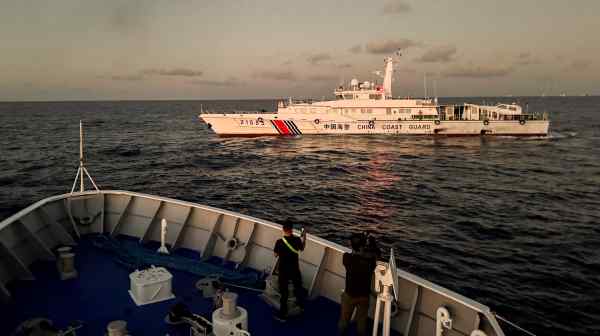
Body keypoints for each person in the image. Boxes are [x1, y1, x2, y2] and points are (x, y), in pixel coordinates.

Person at [338, 232, 379, 336]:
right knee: (362, 322)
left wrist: (361, 240)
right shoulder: (371, 261)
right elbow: (376, 254)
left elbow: (353, 254)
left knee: (344, 320)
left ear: (352, 245)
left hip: (350, 295)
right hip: (364, 296)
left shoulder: (347, 258)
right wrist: (372, 243)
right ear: (363, 246)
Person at [273, 219, 306, 322]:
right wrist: (304, 237)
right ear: (292, 229)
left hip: (283, 271)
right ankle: (301, 307)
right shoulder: (297, 240)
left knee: (284, 294)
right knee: (298, 288)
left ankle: (283, 315)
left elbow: (275, 255)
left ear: (283, 229)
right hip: (295, 270)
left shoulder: (279, 242)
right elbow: (302, 248)